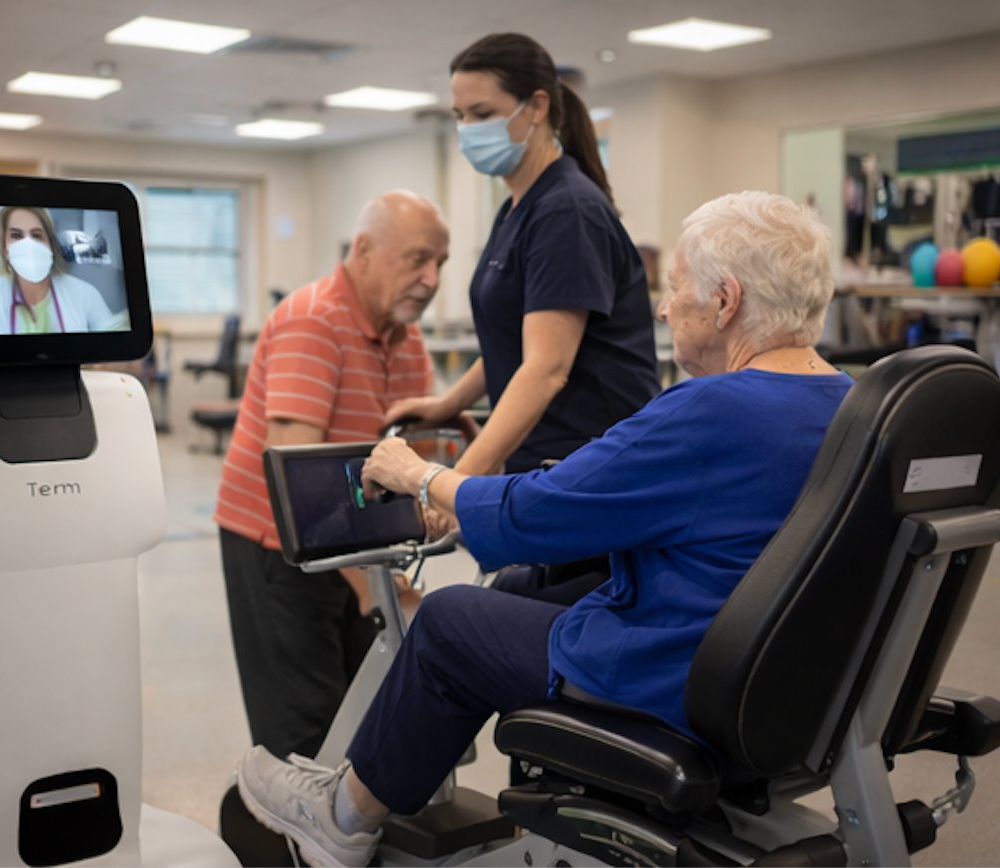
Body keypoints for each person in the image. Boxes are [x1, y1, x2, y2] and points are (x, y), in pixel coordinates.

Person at [234, 191, 853, 868]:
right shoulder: (848, 403)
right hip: (781, 672)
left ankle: (343, 818)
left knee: (449, 620)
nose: (665, 307)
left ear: (726, 301)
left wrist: (419, 477)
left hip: (675, 674)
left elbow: (535, 515)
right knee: (527, 585)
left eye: (675, 288)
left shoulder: (713, 407)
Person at [214, 191, 450, 760]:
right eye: (417, 259)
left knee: (359, 711)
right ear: (363, 251)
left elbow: (419, 448)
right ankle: (289, 838)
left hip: (354, 546)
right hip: (279, 544)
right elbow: (296, 486)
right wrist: (377, 584)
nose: (432, 278)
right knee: (303, 729)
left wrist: (442, 494)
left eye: (441, 263)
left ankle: (344, 835)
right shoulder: (312, 320)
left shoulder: (407, 336)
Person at [387, 33, 660, 492]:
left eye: (483, 114)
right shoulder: (519, 207)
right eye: (460, 116)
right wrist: (448, 403)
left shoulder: (565, 210)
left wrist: (454, 483)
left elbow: (545, 367)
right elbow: (513, 339)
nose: (468, 129)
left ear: (536, 107)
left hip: (589, 466)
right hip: (545, 460)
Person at [0, 206, 119, 335]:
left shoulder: (86, 295)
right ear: (4, 248)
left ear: (50, 244)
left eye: (37, 235)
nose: (28, 245)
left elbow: (117, 352)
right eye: (16, 236)